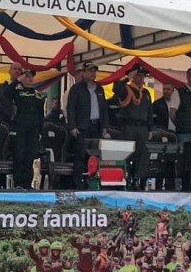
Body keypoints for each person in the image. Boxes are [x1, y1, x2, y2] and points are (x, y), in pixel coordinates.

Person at [65, 61, 108, 189]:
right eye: (89, 71)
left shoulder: (99, 88)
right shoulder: (77, 88)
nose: (93, 74)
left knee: (95, 156)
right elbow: (70, 107)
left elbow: (104, 109)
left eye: (94, 71)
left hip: (96, 126)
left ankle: (93, 183)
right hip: (82, 127)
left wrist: (105, 126)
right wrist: (72, 126)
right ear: (83, 73)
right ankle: (78, 184)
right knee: (80, 156)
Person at [116, 64, 153, 189]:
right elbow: (116, 88)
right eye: (138, 75)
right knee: (126, 154)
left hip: (142, 128)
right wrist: (127, 77)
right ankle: (126, 179)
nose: (141, 78)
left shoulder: (146, 92)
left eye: (143, 75)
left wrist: (150, 129)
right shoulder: (126, 88)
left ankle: (138, 179)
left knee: (142, 155)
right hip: (129, 127)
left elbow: (149, 112)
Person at [11, 68, 45, 189]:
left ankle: (27, 182)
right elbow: (7, 93)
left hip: (33, 129)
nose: (30, 79)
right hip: (20, 127)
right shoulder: (16, 90)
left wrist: (41, 131)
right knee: (19, 154)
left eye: (32, 76)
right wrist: (17, 81)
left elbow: (41, 114)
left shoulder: (37, 94)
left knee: (30, 155)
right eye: (27, 76)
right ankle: (19, 182)